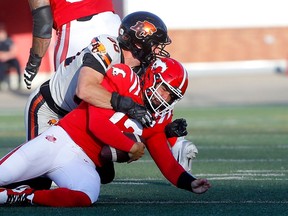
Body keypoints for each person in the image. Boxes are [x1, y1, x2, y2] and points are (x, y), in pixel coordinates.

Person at [0, 57, 211, 207]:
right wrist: (131, 146)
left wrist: (188, 182)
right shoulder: (123, 77)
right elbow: (97, 124)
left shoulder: (158, 116)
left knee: (87, 195)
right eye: (164, 89)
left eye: (171, 96)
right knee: (3, 174)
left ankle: (21, 196)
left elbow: (165, 160)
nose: (164, 98)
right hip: (61, 140)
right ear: (151, 77)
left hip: (82, 161)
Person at [24, 0, 121, 89]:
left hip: (76, 30)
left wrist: (33, 62)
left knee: (64, 97)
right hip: (112, 23)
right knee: (123, 89)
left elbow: (43, 25)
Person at [0, 24, 21, 90]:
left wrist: (7, 56)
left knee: (17, 63)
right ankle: (1, 82)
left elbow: (14, 51)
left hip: (10, 58)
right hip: (2, 60)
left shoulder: (9, 40)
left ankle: (19, 82)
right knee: (1, 66)